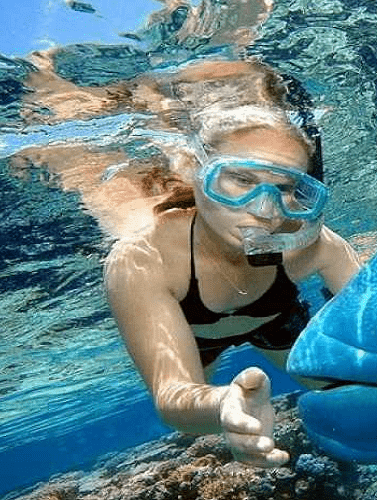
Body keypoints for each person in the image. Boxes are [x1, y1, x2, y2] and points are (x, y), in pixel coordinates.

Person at [102, 60, 361, 468]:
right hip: (198, 336)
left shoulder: (311, 244)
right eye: (240, 180)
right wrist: (224, 403)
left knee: (335, 386)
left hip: (274, 318)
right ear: (193, 169)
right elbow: (173, 396)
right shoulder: (145, 258)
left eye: (285, 187)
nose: (263, 211)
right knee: (190, 424)